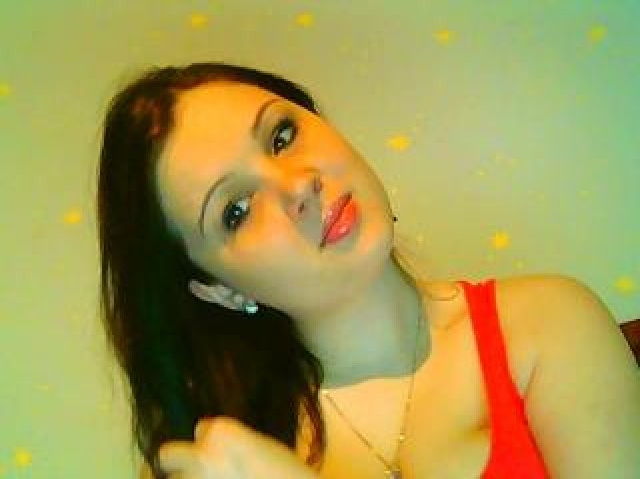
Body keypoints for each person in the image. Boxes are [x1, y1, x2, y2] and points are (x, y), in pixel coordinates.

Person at [96, 62, 640, 479]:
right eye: (236, 210)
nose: (299, 184)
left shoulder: (547, 323)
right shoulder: (217, 463)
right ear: (219, 290)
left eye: (282, 136)